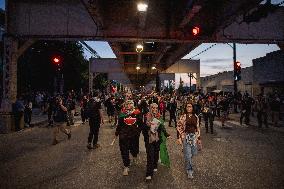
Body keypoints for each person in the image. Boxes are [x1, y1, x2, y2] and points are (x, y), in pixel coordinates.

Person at [115, 100, 142, 176]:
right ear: (125, 105)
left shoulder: (137, 113)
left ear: (133, 105)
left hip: (134, 136)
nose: (129, 105)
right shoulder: (122, 115)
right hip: (124, 136)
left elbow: (140, 124)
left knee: (134, 148)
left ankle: (135, 156)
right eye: (127, 104)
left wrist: (138, 132)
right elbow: (119, 125)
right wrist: (117, 133)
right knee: (124, 151)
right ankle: (126, 166)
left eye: (130, 103)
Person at [144, 103, 171, 181]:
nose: (154, 109)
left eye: (156, 108)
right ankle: (149, 174)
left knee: (156, 154)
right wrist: (149, 125)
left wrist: (166, 134)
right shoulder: (147, 116)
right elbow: (143, 127)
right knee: (150, 156)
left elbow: (162, 127)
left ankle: (155, 165)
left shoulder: (159, 116)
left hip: (157, 139)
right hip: (149, 139)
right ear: (150, 108)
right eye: (153, 108)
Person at [177, 102, 200, 179]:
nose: (189, 108)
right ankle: (189, 171)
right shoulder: (183, 116)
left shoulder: (196, 116)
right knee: (188, 155)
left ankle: (187, 159)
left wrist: (199, 138)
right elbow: (179, 126)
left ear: (193, 108)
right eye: (187, 107)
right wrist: (181, 136)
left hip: (193, 137)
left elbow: (197, 127)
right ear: (185, 108)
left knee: (193, 153)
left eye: (190, 107)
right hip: (186, 136)